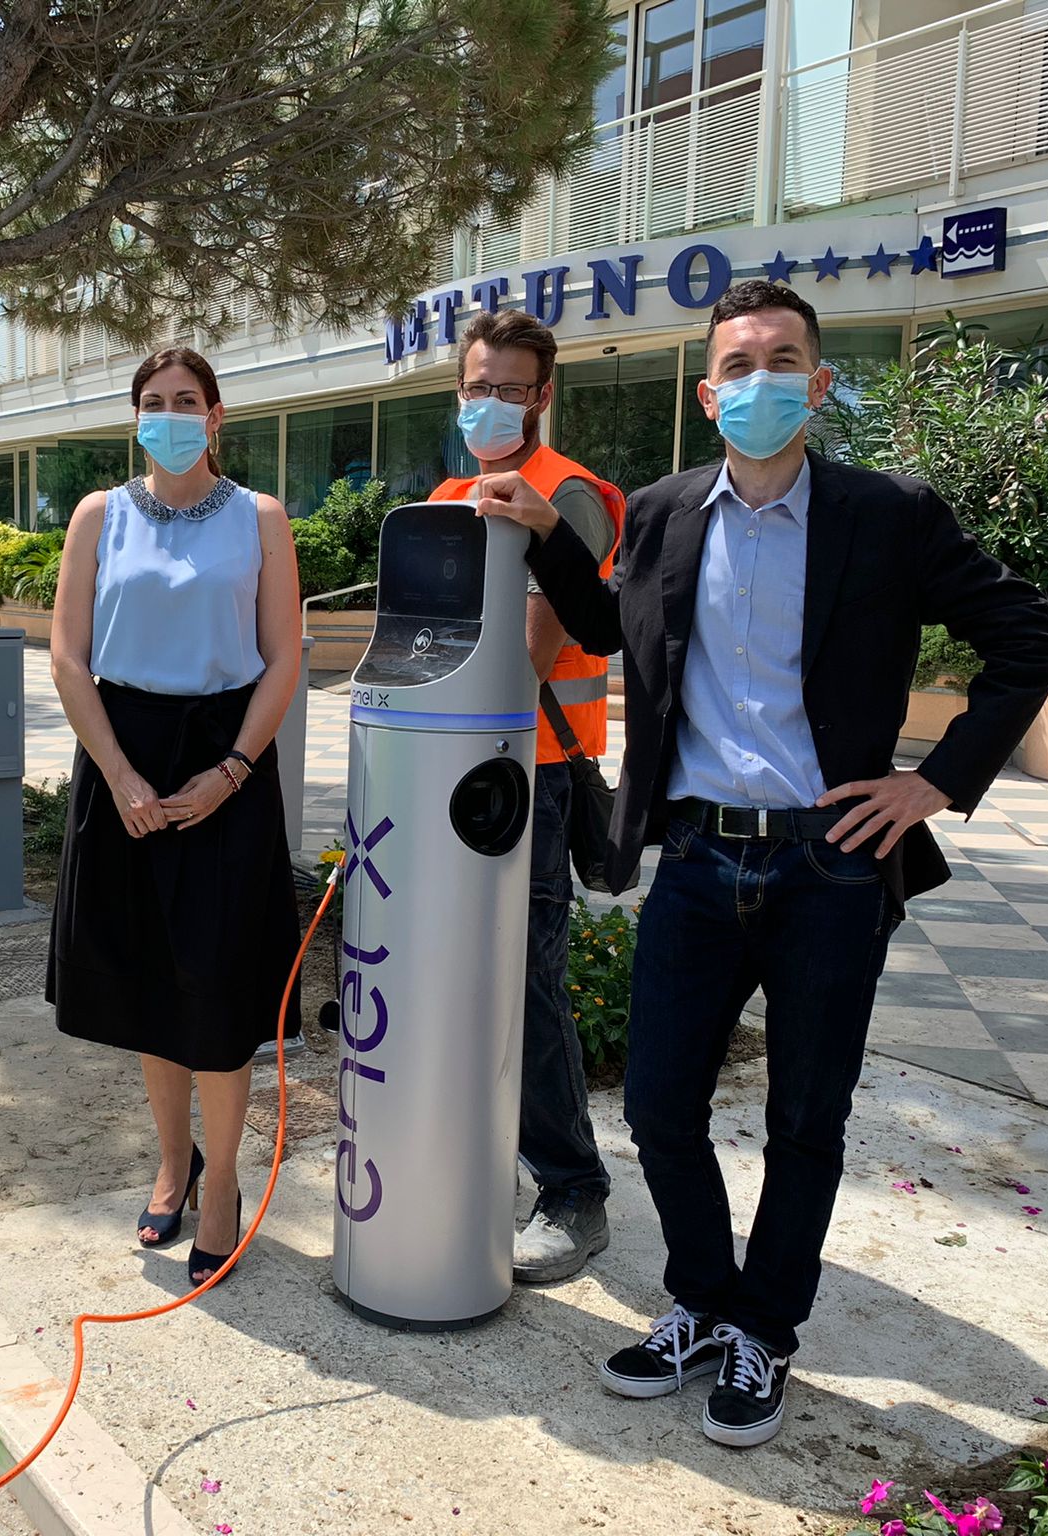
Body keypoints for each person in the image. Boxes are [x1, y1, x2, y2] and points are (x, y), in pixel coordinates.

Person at [477, 280, 1048, 1448]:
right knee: (652, 1101)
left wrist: (930, 784)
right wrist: (549, 541)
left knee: (804, 1116)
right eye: (737, 366)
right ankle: (698, 1299)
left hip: (830, 868)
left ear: (818, 381)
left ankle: (764, 1331)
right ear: (706, 394)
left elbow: (1025, 640)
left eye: (780, 360)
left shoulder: (885, 514)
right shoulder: (658, 511)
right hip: (695, 856)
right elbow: (604, 634)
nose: (758, 382)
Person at [46, 346, 304, 1290]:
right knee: (153, 981)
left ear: (217, 415)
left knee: (218, 984)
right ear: (136, 418)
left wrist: (232, 770)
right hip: (124, 758)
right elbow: (69, 658)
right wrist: (118, 777)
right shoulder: (97, 516)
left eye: (186, 401)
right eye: (153, 403)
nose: (169, 416)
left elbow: (285, 658)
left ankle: (226, 1180)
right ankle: (172, 1160)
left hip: (226, 757)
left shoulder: (260, 519)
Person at [427, 309, 624, 1286]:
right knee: (467, 972)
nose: (489, 403)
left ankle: (572, 1187)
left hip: (533, 775)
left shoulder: (567, 497)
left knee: (525, 979)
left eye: (509, 387)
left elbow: (530, 654)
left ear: (543, 393)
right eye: (476, 386)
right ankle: (496, 1145)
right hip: (448, 767)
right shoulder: (450, 493)